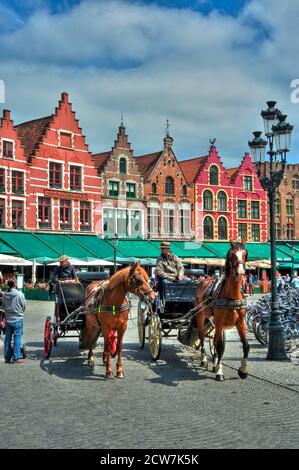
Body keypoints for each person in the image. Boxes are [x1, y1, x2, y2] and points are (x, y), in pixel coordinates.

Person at [2, 279, 26, 364]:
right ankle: (16, 357)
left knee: (7, 339)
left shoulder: (5, 295)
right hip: (18, 319)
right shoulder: (20, 294)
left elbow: (3, 305)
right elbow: (24, 307)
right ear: (15, 285)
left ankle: (7, 358)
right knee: (17, 338)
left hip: (8, 319)